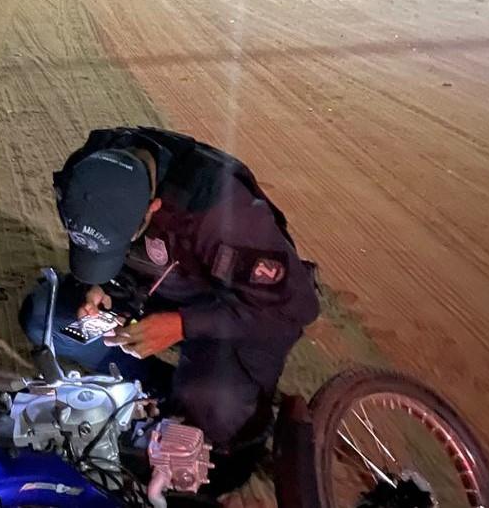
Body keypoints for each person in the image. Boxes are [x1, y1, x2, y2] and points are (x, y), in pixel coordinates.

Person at [19, 127, 320, 460]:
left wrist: (181, 325)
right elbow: (105, 238)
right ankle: (161, 387)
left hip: (233, 309)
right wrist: (100, 284)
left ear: (154, 207)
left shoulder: (222, 213)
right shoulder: (86, 174)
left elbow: (296, 308)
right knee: (42, 320)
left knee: (217, 414)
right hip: (155, 289)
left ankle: (233, 417)